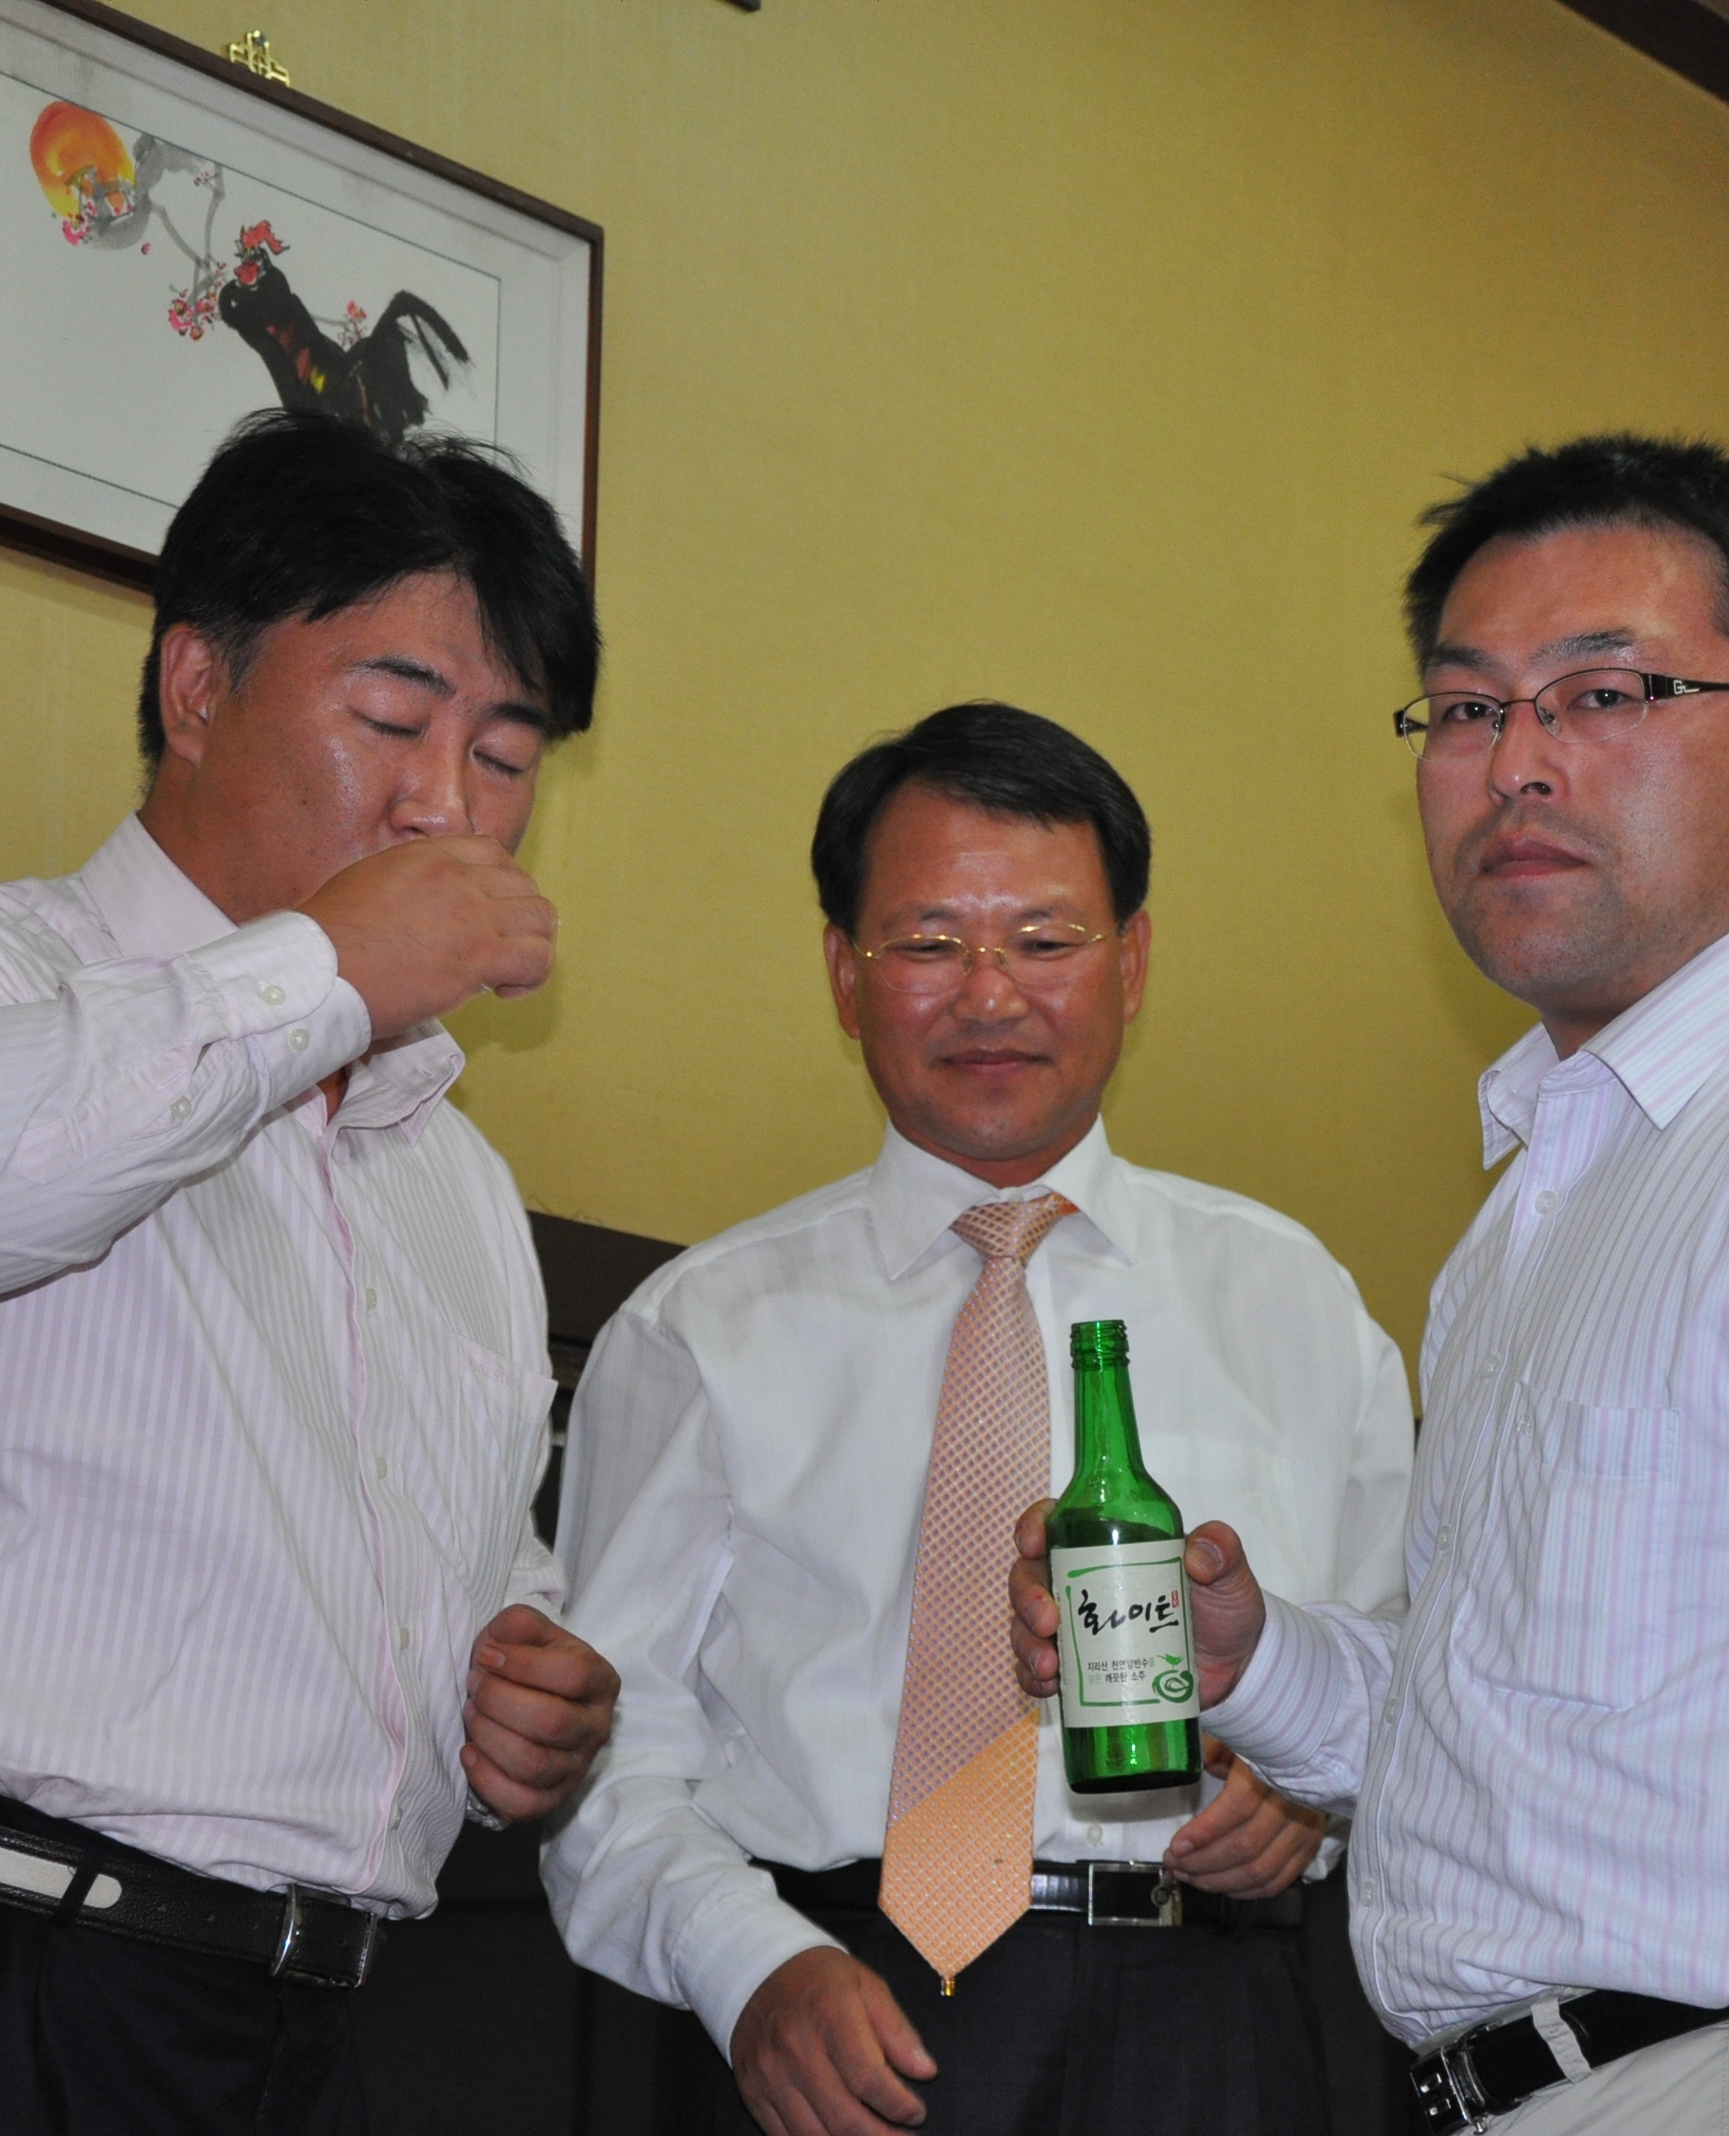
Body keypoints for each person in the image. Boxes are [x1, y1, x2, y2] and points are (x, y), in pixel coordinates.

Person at [1014, 436, 1729, 2135]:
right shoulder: (1540, 1214)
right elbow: (1523, 1758)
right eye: (1465, 710)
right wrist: (1248, 1659)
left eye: (1607, 693)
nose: (1518, 765)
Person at [0, 411, 622, 2136]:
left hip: (287, 2021)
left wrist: (520, 1680)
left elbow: (440, 1540)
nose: (450, 804)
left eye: (507, 755)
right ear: (197, 686)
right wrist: (321, 969)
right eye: (393, 721)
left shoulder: (449, 1177)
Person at [543, 703, 1411, 2136]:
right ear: (845, 975)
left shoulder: (1295, 1301)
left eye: (1046, 940)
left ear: (1133, 962)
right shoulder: (702, 1327)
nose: (990, 994)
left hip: (1207, 2018)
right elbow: (601, 1743)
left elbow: (1415, 1682)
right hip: (835, 2008)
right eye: (930, 943)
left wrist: (1312, 1801)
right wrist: (746, 1967)